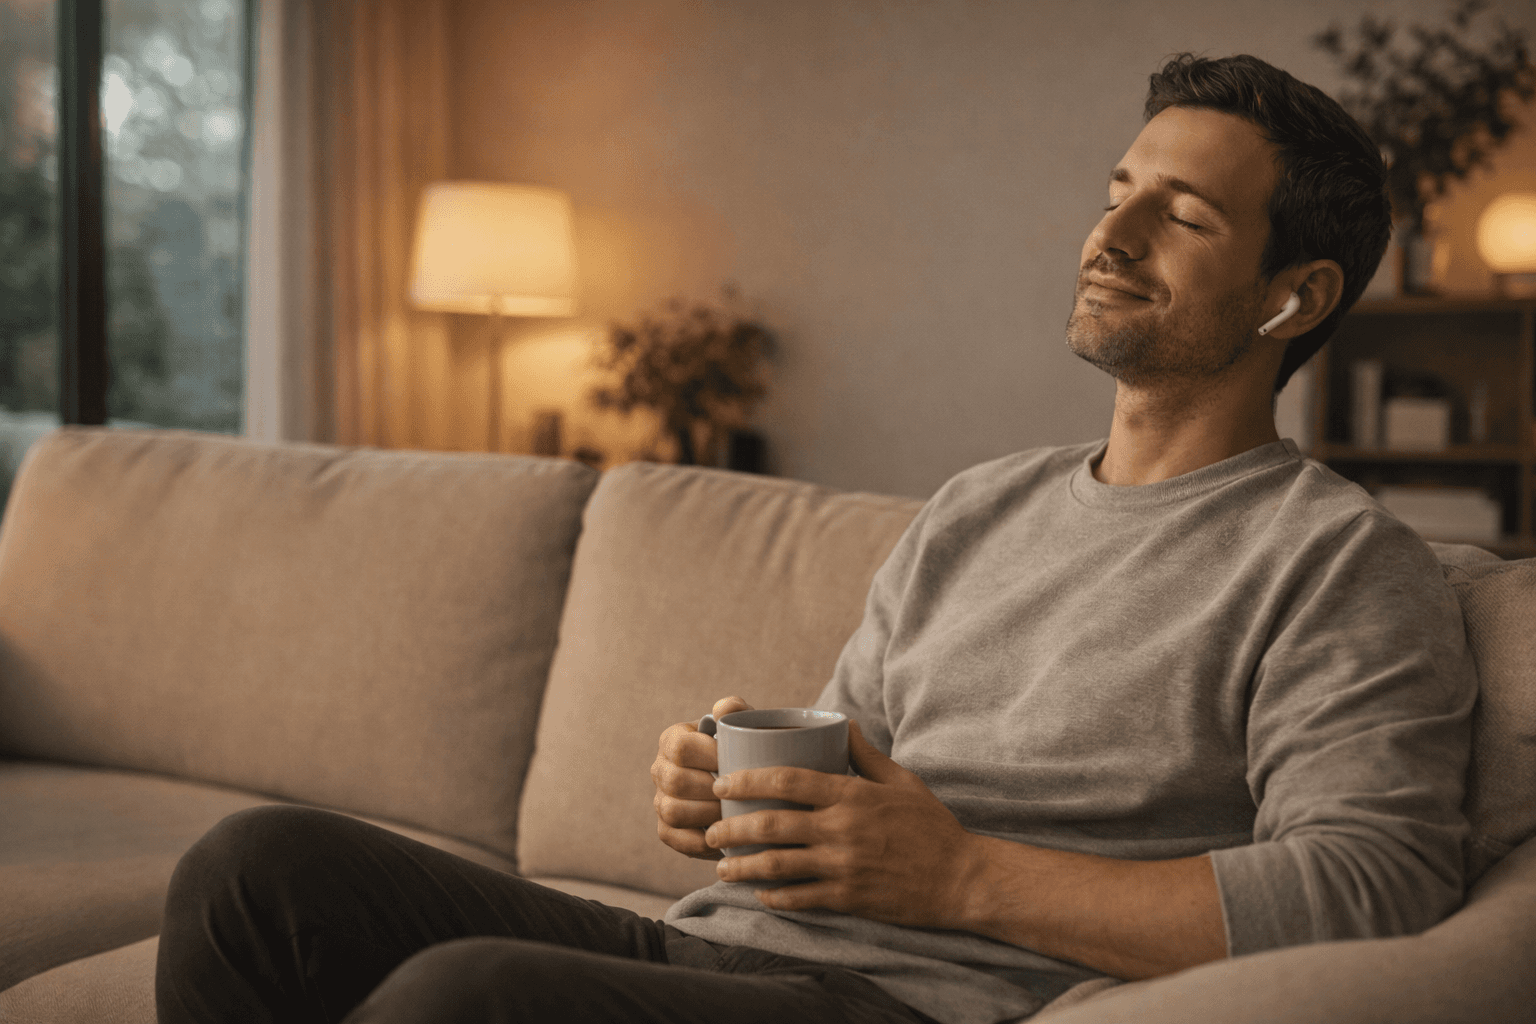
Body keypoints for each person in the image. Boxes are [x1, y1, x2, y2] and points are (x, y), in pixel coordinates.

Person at [154, 53, 1475, 1024]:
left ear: (1291, 297)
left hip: (904, 1002)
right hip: (725, 947)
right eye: (1117, 192)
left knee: (465, 1000)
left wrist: (964, 879)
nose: (1108, 236)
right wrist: (743, 797)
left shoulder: (1342, 567)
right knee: (254, 871)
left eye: (1181, 217)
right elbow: (866, 775)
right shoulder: (981, 507)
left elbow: (1371, 884)